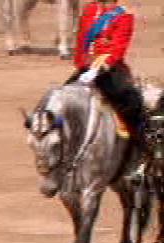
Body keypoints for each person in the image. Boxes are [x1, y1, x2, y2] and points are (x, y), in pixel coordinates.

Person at [68, 0, 146, 181]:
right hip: (86, 68)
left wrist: (100, 67)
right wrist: (82, 65)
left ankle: (137, 151)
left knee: (131, 103)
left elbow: (118, 49)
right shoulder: (90, 10)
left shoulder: (124, 16)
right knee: (62, 98)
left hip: (110, 69)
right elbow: (81, 42)